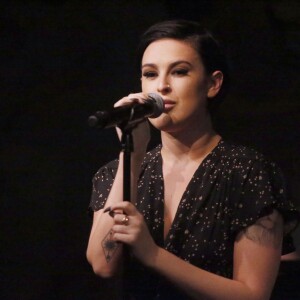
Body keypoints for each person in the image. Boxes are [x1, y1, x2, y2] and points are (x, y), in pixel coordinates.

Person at [86, 20, 299, 299]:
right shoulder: (117, 172)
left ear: (212, 84)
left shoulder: (246, 172)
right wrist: (132, 155)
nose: (161, 86)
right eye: (150, 74)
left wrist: (153, 254)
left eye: (179, 72)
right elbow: (104, 265)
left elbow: (252, 294)